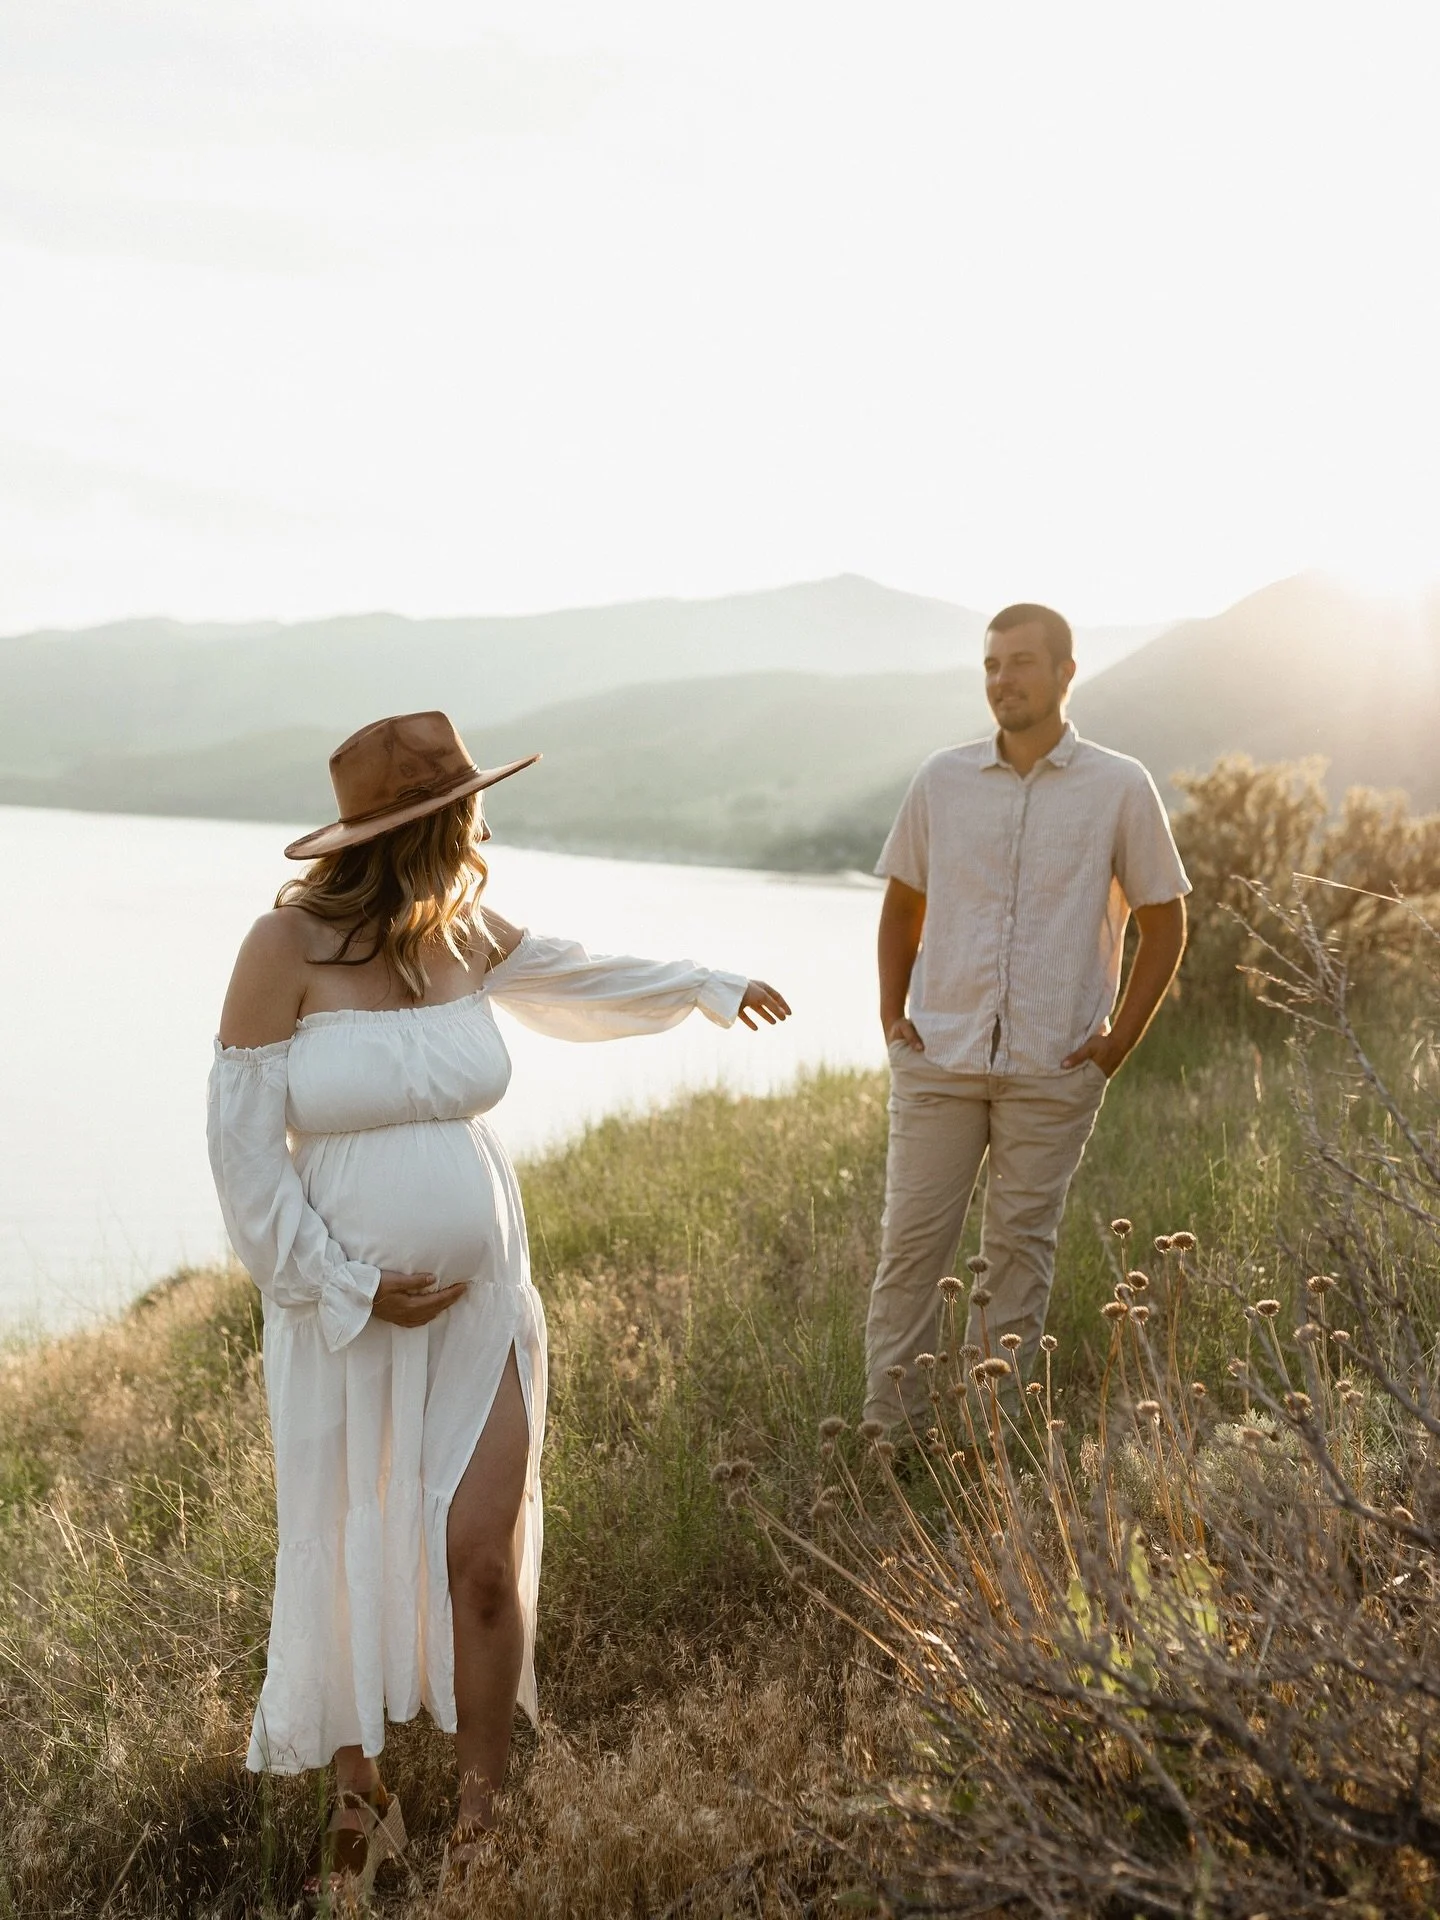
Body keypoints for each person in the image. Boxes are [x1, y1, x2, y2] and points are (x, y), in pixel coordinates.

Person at [206, 711, 790, 1895]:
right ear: (416, 826)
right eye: (463, 804)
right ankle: (362, 1797)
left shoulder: (466, 930)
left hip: (480, 1304)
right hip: (340, 1316)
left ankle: (481, 1819)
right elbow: (241, 1151)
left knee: (481, 1552)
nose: (480, 821)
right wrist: (349, 1286)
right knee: (349, 1539)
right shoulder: (284, 947)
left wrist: (706, 985)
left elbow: (578, 973)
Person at [865, 603, 1188, 1430]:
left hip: (1054, 1068)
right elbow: (903, 904)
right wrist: (891, 1018)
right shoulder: (942, 779)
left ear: (1065, 673)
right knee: (910, 1256)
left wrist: (1115, 1045)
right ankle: (886, 1440)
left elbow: (1166, 920)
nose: (1002, 679)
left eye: (1020, 662)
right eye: (991, 665)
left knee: (1016, 1261)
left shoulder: (1120, 786)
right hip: (940, 1058)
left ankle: (987, 1448)